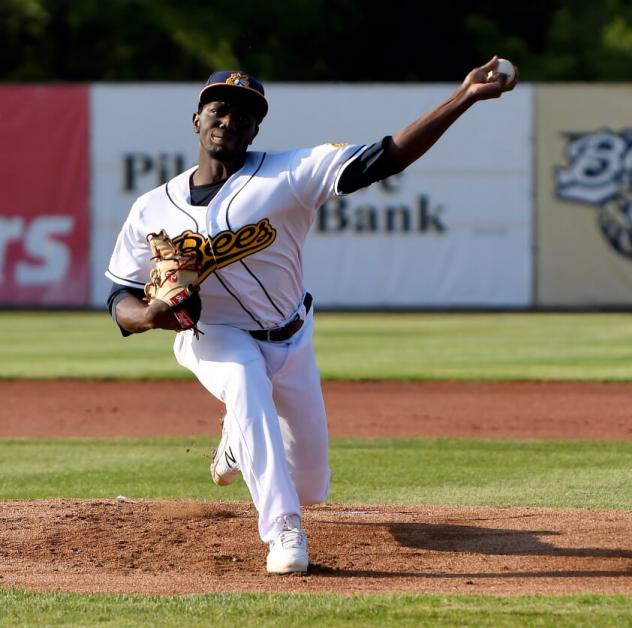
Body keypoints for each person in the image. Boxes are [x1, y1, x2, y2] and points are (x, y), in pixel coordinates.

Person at [105, 58, 518, 574]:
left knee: (310, 482)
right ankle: (282, 530)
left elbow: (387, 157)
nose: (229, 120)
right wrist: (149, 316)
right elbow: (121, 292)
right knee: (244, 381)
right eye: (219, 108)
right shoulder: (152, 208)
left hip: (292, 337)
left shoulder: (292, 173)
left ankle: (239, 440)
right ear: (196, 120)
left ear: (257, 128)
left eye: (244, 115)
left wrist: (463, 98)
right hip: (214, 333)